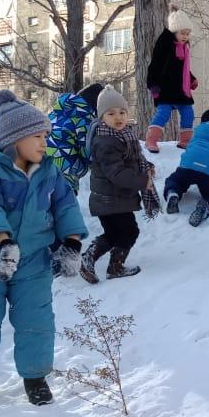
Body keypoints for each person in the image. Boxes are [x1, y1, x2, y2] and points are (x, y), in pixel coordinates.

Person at [0, 90, 88, 405]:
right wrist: (3, 241)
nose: (44, 142)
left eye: (45, 136)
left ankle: (35, 377)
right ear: (14, 139)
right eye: (37, 136)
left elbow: (66, 206)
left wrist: (71, 242)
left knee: (36, 321)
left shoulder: (50, 172)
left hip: (34, 263)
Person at [80, 85, 153, 282]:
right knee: (127, 232)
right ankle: (108, 265)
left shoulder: (122, 136)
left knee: (116, 233)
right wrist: (142, 181)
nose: (118, 117)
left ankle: (103, 263)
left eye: (122, 112)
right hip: (110, 199)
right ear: (101, 117)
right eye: (111, 113)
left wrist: (147, 166)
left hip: (114, 199)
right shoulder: (106, 141)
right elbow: (117, 173)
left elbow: (131, 161)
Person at [163, 108, 209, 226]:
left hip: (187, 169)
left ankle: (173, 192)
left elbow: (190, 152)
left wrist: (185, 166)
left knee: (175, 180)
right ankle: (207, 205)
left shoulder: (196, 136)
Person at [145, 5, 198, 153]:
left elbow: (183, 69)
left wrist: (192, 79)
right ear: (174, 31)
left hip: (181, 89)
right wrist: (153, 84)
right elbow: (154, 65)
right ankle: (151, 140)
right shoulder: (165, 44)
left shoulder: (184, 47)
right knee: (164, 112)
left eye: (188, 34)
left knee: (188, 112)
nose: (185, 36)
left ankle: (185, 141)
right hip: (165, 88)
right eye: (182, 33)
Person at [45, 82, 104, 194]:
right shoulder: (84, 119)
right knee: (64, 208)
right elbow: (89, 155)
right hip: (63, 175)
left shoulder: (54, 114)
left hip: (38, 168)